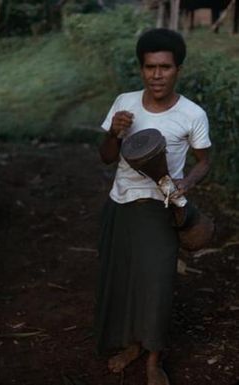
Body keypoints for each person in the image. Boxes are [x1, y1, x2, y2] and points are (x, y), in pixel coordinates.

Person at [95, 28, 211, 385]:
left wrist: (185, 184)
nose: (156, 75)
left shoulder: (192, 114)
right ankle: (132, 345)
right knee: (124, 280)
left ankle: (153, 360)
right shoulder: (124, 104)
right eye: (149, 67)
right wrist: (114, 132)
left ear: (178, 69)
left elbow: (204, 161)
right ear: (141, 69)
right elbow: (105, 158)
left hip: (161, 208)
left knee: (157, 284)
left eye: (165, 67)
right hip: (121, 203)